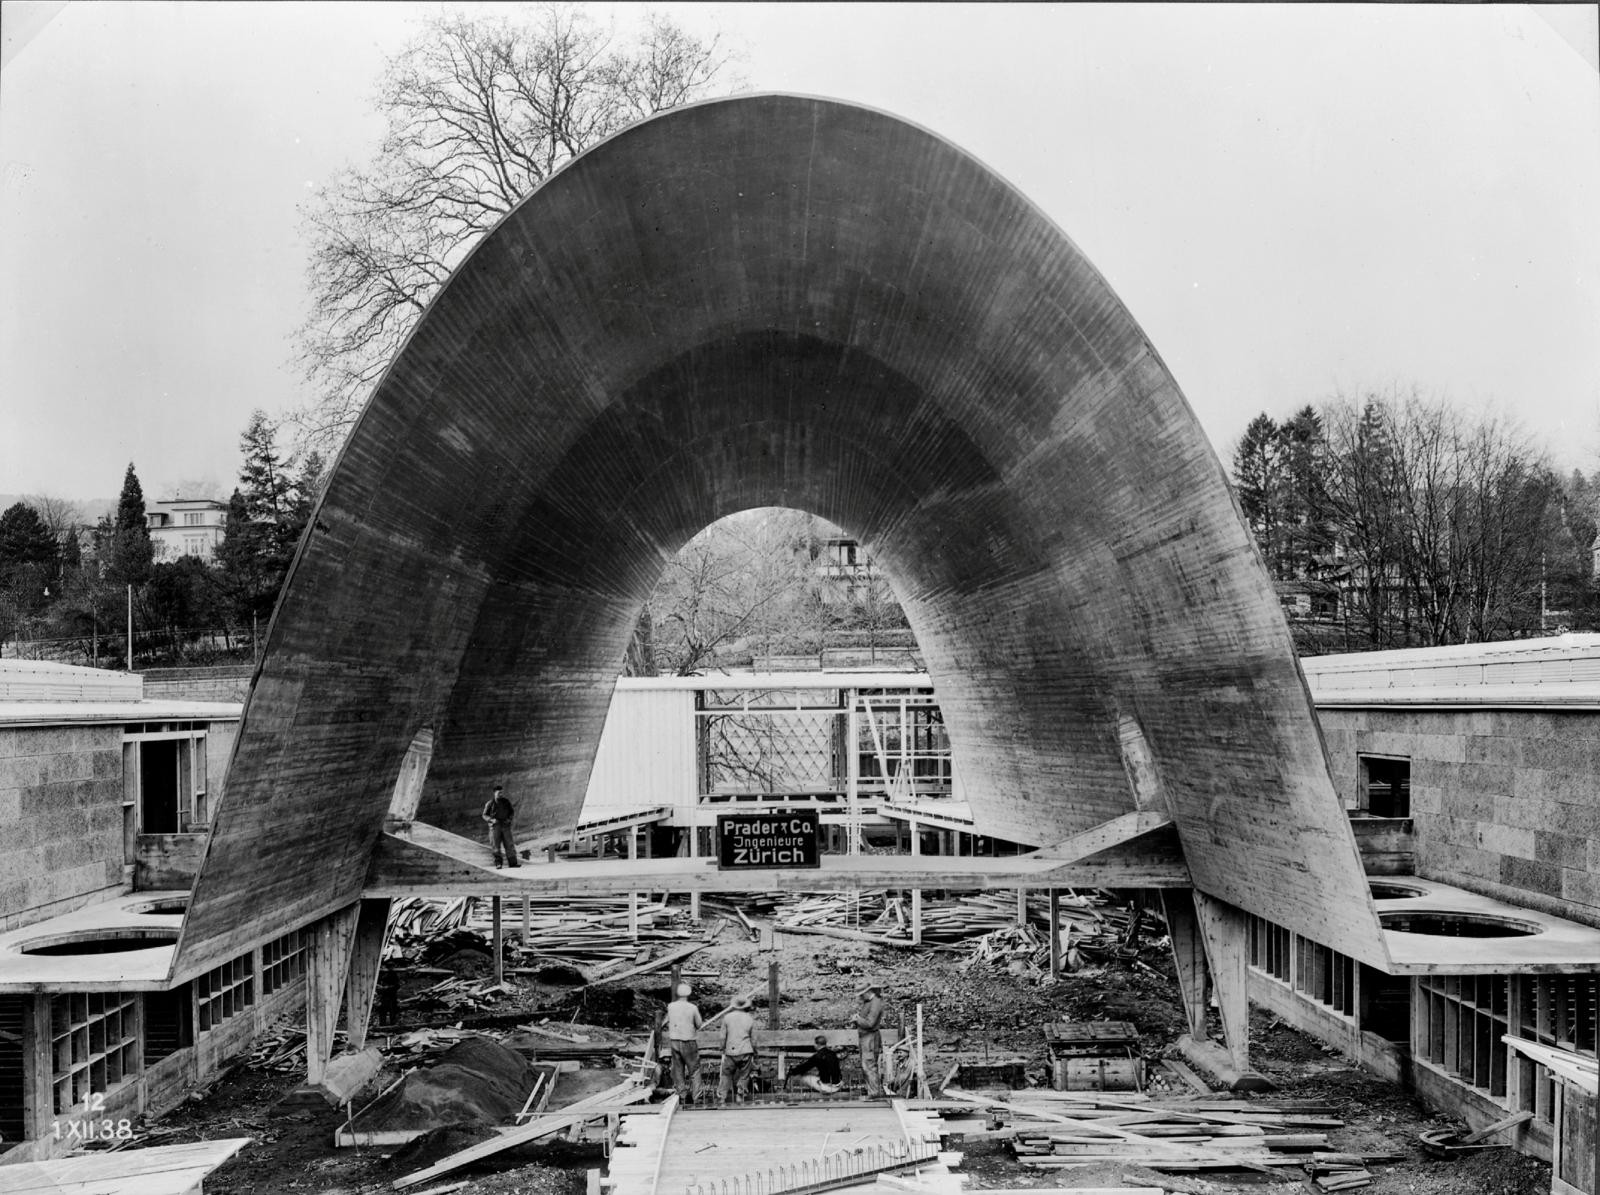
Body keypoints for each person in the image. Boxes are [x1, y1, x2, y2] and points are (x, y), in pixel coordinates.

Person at [665, 982, 704, 1104]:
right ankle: (696, 1097)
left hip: (674, 1040)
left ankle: (682, 1096)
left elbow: (667, 1021)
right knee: (695, 1070)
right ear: (689, 994)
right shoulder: (692, 1008)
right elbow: (699, 1024)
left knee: (678, 1069)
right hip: (689, 1041)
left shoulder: (671, 1006)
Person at [718, 995, 758, 1104]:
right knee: (744, 1074)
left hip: (730, 1051)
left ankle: (722, 1097)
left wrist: (722, 1048)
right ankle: (740, 1095)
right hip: (746, 1051)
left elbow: (722, 1036)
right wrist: (754, 1052)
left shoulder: (727, 1018)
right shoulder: (749, 1019)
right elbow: (753, 1039)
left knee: (726, 1074)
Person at [852, 984, 885, 1097]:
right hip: (865, 1038)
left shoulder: (876, 1003)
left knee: (869, 1065)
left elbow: (870, 1023)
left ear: (867, 992)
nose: (860, 998)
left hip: (870, 1038)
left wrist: (858, 1019)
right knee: (865, 1065)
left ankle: (874, 1092)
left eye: (861, 995)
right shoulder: (869, 1002)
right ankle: (871, 1090)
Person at [482, 784, 519, 868]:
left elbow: (511, 812)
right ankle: (498, 863)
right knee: (495, 845)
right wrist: (491, 820)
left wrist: (509, 820)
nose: (501, 794)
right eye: (499, 793)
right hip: (495, 827)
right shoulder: (490, 803)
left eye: (502, 793)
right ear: (494, 793)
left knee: (509, 844)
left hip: (505, 826)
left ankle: (513, 863)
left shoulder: (506, 802)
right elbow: (484, 815)